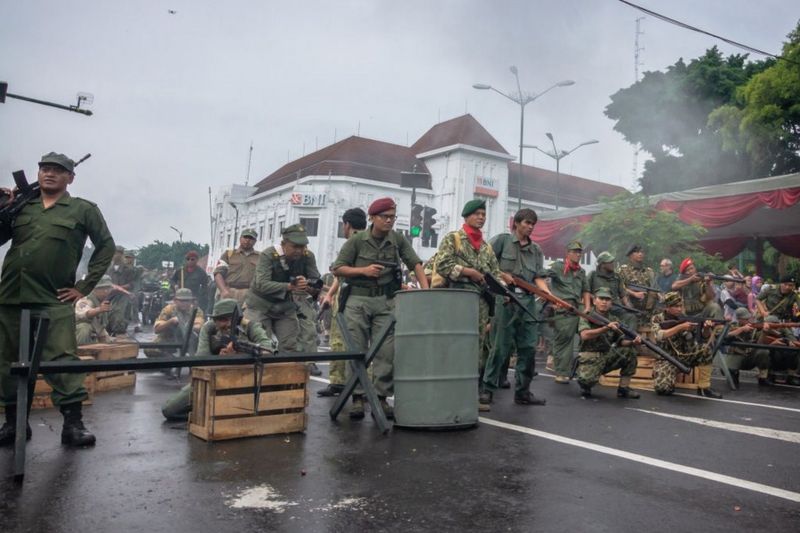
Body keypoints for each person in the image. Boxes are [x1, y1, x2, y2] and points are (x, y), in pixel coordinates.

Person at [0, 152, 115, 447]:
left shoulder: (81, 209)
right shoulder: (23, 205)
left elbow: (105, 245)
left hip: (53, 298)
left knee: (62, 360)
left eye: (57, 170)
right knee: (7, 362)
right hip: (12, 294)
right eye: (44, 169)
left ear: (70, 178)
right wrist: (4, 207)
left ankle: (73, 425)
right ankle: (14, 425)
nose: (49, 174)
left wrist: (84, 286)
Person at [332, 197, 428, 419]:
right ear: (372, 218)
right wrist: (363, 271)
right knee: (357, 350)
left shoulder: (397, 240)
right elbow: (338, 268)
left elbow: (416, 263)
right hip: (357, 300)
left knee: (386, 352)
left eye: (393, 217)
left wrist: (425, 291)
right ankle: (357, 398)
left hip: (385, 301)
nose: (389, 221)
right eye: (385, 217)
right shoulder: (356, 241)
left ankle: (381, 398)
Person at [435, 199, 503, 410]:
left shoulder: (486, 247)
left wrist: (502, 289)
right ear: (466, 216)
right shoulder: (453, 239)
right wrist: (468, 272)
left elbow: (495, 273)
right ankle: (445, 395)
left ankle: (468, 397)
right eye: (477, 214)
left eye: (484, 214)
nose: (481, 217)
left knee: (476, 350)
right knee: (454, 346)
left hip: (480, 303)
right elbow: (443, 264)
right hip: (456, 299)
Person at [161, 299, 273, 421]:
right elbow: (202, 360)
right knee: (169, 410)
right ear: (214, 320)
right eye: (222, 319)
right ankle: (202, 414)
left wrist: (240, 355)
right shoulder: (209, 329)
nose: (228, 324)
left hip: (246, 377)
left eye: (232, 319)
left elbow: (269, 349)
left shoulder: (250, 326)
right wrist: (221, 359)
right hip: (212, 376)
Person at [481, 208, 548, 407]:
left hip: (527, 301)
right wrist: (502, 275)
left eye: (532, 224)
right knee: (500, 347)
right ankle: (487, 389)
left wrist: (548, 294)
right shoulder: (502, 241)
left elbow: (538, 277)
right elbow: (485, 264)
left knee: (528, 348)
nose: (530, 227)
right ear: (516, 223)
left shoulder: (535, 250)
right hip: (505, 299)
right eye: (526, 223)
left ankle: (523, 391)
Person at [245, 224, 320, 352]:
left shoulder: (308, 257)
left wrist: (307, 285)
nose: (299, 250)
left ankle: (291, 369)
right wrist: (289, 286)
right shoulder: (268, 255)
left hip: (285, 305)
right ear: (284, 244)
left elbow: (316, 282)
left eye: (302, 246)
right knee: (261, 344)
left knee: (290, 344)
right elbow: (261, 284)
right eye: (295, 246)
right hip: (260, 305)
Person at [317, 207, 367, 397]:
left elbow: (341, 272)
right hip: (348, 296)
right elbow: (340, 276)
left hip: (353, 298)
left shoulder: (356, 243)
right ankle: (344, 383)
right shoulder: (368, 241)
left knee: (352, 342)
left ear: (347, 225)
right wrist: (330, 295)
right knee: (351, 342)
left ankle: (354, 385)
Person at [651, 291, 722, 398]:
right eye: (676, 306)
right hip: (666, 358)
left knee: (705, 349)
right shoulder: (657, 318)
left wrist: (706, 328)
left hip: (684, 355)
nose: (679, 309)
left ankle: (704, 388)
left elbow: (704, 338)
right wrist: (680, 327)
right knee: (663, 389)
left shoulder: (684, 318)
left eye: (680, 306)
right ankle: (669, 378)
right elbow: (659, 335)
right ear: (667, 307)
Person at [576, 287, 641, 399]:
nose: (604, 302)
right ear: (595, 300)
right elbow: (585, 335)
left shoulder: (614, 319)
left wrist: (632, 342)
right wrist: (606, 328)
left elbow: (621, 342)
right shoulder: (587, 315)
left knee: (629, 352)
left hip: (606, 356)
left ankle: (623, 389)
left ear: (611, 303)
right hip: (590, 357)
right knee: (586, 381)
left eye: (607, 299)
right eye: (601, 298)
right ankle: (585, 386)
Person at [546, 241, 591, 383]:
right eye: (575, 251)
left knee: (585, 337)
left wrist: (588, 307)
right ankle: (561, 372)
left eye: (580, 252)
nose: (578, 254)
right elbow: (542, 278)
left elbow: (585, 290)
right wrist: (551, 299)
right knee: (564, 341)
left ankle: (579, 370)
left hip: (578, 308)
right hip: (563, 309)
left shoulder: (581, 271)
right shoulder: (558, 267)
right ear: (568, 253)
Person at [144, 288, 205, 358]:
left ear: (191, 301)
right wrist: (170, 322)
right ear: (175, 300)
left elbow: (199, 326)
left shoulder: (196, 310)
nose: (184, 303)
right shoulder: (169, 309)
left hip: (189, 339)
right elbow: (157, 329)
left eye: (187, 300)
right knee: (149, 349)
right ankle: (168, 359)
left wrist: (186, 325)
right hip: (170, 339)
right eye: (181, 301)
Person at [724, 308, 771, 387]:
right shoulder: (733, 325)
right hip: (736, 357)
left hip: (749, 357)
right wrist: (742, 329)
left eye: (748, 318)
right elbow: (726, 336)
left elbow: (760, 344)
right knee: (727, 371)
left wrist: (764, 332)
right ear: (739, 319)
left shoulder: (754, 327)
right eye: (745, 319)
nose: (748, 320)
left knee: (764, 352)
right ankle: (734, 374)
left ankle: (762, 377)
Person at [213, 228, 259, 306]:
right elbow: (218, 274)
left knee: (247, 318)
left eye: (251, 238)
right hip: (229, 291)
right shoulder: (228, 254)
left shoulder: (260, 257)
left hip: (249, 294)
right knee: (226, 317)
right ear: (240, 238)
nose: (247, 240)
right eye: (245, 237)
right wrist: (223, 290)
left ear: (255, 241)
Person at [618, 244, 658, 317]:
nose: (640, 254)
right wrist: (634, 293)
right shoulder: (623, 270)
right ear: (630, 255)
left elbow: (655, 287)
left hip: (647, 307)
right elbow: (619, 288)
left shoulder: (649, 271)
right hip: (629, 305)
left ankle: (647, 315)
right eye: (637, 252)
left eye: (642, 252)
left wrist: (660, 295)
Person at [75, 275, 115, 345]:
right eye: (103, 289)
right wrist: (99, 309)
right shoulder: (86, 299)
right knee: (84, 327)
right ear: (94, 289)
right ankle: (81, 352)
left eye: (108, 289)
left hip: (93, 334)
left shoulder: (100, 301)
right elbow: (84, 314)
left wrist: (106, 338)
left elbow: (99, 325)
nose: (106, 292)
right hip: (75, 334)